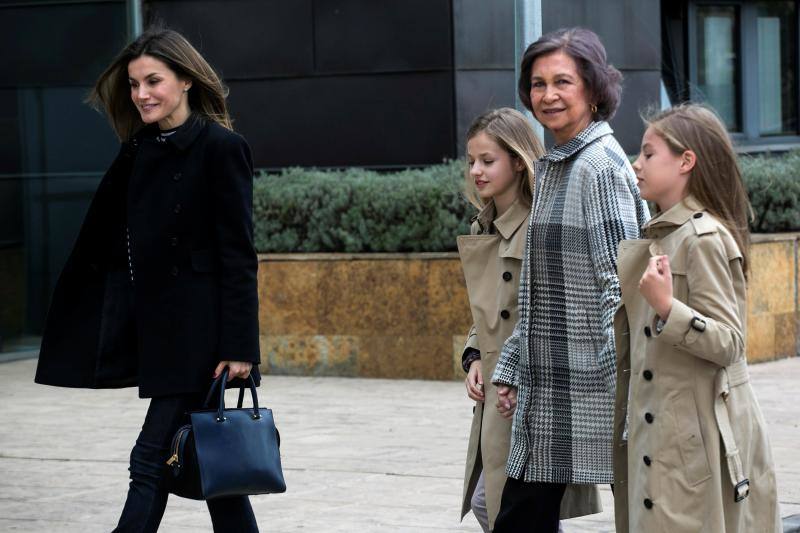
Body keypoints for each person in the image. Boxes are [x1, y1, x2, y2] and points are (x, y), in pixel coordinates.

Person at [34, 28, 261, 532]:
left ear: (185, 80)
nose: (141, 94)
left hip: (203, 338)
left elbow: (239, 257)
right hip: (158, 333)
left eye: (153, 81)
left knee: (151, 456)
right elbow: (111, 242)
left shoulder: (222, 148)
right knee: (213, 468)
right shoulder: (138, 151)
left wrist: (241, 345)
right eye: (134, 84)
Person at [490, 27, 649, 532]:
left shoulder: (598, 166)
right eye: (538, 84)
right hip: (550, 384)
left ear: (594, 89)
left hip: (587, 384)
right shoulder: (558, 162)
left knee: (519, 516)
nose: (548, 95)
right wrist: (514, 361)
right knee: (519, 514)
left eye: (563, 81)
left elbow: (619, 282)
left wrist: (623, 384)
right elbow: (541, 282)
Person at [613, 103, 781, 532]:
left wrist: (668, 307)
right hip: (666, 435)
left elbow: (731, 343)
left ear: (686, 161)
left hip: (695, 443)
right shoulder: (666, 234)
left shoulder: (702, 238)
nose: (637, 164)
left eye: (649, 154)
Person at [458, 108, 601, 532]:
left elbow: (561, 303)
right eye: (471, 161)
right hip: (498, 389)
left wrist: (521, 371)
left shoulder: (542, 222)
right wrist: (474, 356)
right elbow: (485, 308)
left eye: (488, 160)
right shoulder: (484, 225)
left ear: (518, 160)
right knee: (503, 505)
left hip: (532, 384)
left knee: (509, 505)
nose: (477, 172)